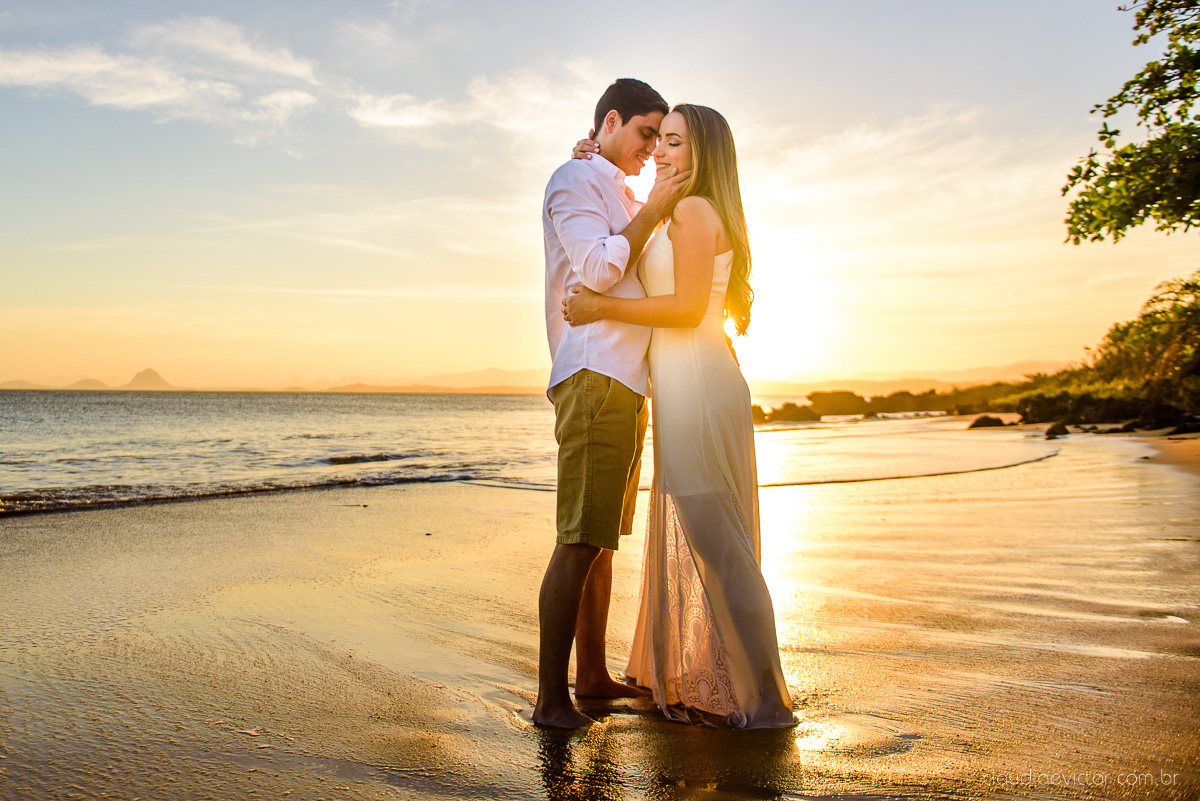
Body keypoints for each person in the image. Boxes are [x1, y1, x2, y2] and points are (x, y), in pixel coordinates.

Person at [562, 104, 796, 728]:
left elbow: (690, 308)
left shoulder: (693, 212)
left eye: (673, 143)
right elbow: (627, 214)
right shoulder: (675, 208)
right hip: (686, 387)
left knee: (720, 546)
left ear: (703, 154)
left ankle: (766, 702)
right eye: (657, 140)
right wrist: (593, 152)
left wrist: (597, 310)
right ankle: (745, 686)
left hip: (696, 385)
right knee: (717, 540)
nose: (661, 153)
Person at [534, 79, 691, 729]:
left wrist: (649, 204)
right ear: (611, 121)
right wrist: (653, 209)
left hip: (627, 381)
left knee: (601, 541)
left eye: (662, 137)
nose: (651, 148)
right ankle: (551, 698)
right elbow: (597, 270)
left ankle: (592, 674)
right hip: (593, 371)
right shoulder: (574, 179)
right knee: (578, 538)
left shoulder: (622, 189)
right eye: (645, 133)